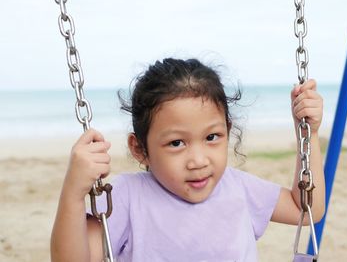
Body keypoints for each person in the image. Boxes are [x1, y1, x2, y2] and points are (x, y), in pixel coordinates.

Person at [51, 58, 325, 261]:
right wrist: (74, 194)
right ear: (139, 149)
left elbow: (305, 208)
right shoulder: (127, 196)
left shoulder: (238, 188)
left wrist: (308, 133)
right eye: (176, 143)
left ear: (228, 131)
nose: (198, 160)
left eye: (212, 137)